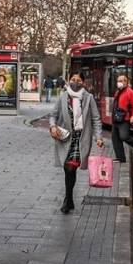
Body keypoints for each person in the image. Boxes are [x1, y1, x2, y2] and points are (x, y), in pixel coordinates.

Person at [52, 73, 102, 213]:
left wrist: (98, 137)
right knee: (67, 169)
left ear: (83, 83)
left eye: (78, 80)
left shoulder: (89, 98)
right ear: (68, 81)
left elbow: (96, 119)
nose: (75, 82)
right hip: (65, 139)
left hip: (80, 140)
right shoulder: (62, 97)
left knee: (71, 169)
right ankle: (70, 199)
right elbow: (53, 116)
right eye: (73, 80)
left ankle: (67, 200)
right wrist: (52, 126)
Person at [111, 73, 133, 162]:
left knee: (124, 136)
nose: (119, 82)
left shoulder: (130, 92)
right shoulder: (117, 92)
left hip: (124, 118)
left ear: (126, 82)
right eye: (118, 81)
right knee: (115, 138)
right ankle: (120, 158)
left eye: (122, 81)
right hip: (116, 118)